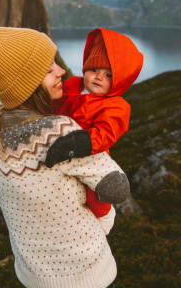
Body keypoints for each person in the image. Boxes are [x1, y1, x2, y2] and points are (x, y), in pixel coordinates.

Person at [0, 26, 130, 288]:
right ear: (27, 82)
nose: (61, 71)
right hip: (86, 275)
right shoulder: (58, 131)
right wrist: (105, 220)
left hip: (33, 276)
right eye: (47, 69)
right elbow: (118, 188)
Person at [53, 28, 143, 235]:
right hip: (61, 145)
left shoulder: (116, 107)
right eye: (94, 69)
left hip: (92, 153)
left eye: (108, 74)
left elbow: (106, 135)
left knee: (95, 191)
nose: (99, 77)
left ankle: (103, 219)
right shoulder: (72, 84)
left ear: (119, 80)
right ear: (85, 69)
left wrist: (80, 143)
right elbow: (55, 105)